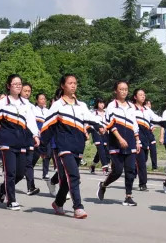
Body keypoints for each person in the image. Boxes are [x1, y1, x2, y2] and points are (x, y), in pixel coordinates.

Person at [41, 74, 97, 220]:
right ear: (63, 86)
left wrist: (99, 127)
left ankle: (58, 202)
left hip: (78, 145)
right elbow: (48, 126)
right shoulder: (58, 105)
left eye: (75, 83)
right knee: (74, 176)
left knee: (67, 180)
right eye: (70, 83)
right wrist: (42, 147)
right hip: (63, 145)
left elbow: (91, 120)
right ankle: (78, 207)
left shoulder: (82, 105)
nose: (73, 85)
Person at [0, 73, 39, 211]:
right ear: (9, 86)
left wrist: (35, 136)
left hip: (21, 142)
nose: (18, 86)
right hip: (6, 142)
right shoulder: (2, 103)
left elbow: (31, 122)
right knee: (10, 172)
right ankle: (11, 200)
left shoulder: (25, 104)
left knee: (20, 173)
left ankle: (3, 188)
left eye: (20, 84)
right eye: (15, 84)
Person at [98, 80, 140, 207]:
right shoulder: (111, 106)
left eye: (126, 89)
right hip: (116, 142)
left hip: (131, 142)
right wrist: (120, 139)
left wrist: (138, 140)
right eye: (121, 89)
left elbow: (134, 124)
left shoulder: (131, 106)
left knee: (130, 170)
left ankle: (128, 196)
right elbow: (111, 124)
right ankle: (104, 184)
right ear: (116, 91)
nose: (124, 91)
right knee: (117, 171)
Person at [132, 88, 166, 192]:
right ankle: (143, 184)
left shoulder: (147, 109)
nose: (143, 96)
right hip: (136, 138)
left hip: (146, 137)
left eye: (144, 94)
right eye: (140, 94)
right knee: (141, 162)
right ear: (135, 97)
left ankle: (131, 173)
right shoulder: (131, 108)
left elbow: (155, 118)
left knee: (143, 160)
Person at [88, 98, 110, 175]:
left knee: (104, 150)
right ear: (97, 103)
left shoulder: (107, 113)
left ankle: (93, 165)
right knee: (100, 148)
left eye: (103, 103)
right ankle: (105, 167)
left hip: (106, 132)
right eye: (100, 103)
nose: (102, 105)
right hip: (96, 132)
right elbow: (90, 123)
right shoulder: (93, 113)